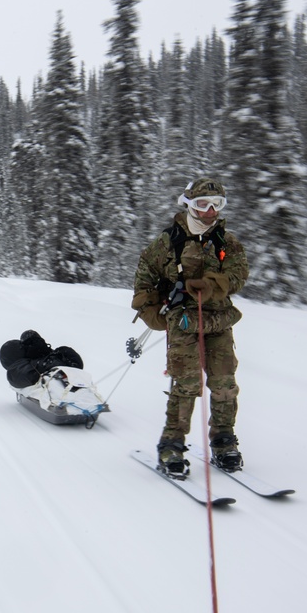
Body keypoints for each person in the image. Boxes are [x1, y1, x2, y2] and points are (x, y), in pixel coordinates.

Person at [131, 178, 249, 478]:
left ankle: (223, 440)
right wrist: (148, 310)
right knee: (186, 383)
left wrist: (213, 286)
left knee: (224, 383)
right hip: (182, 320)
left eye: (216, 205)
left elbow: (238, 274)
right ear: (188, 204)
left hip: (218, 320)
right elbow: (145, 275)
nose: (209, 212)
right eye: (202, 204)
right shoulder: (168, 242)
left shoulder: (225, 241)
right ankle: (172, 443)